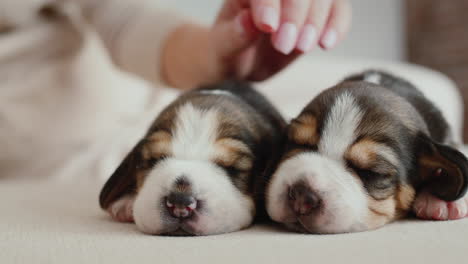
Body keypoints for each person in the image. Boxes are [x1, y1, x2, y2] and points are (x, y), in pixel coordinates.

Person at [0, 0, 351, 180]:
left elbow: (121, 16)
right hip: (72, 164)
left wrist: (216, 53)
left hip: (155, 95)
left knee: (396, 87)